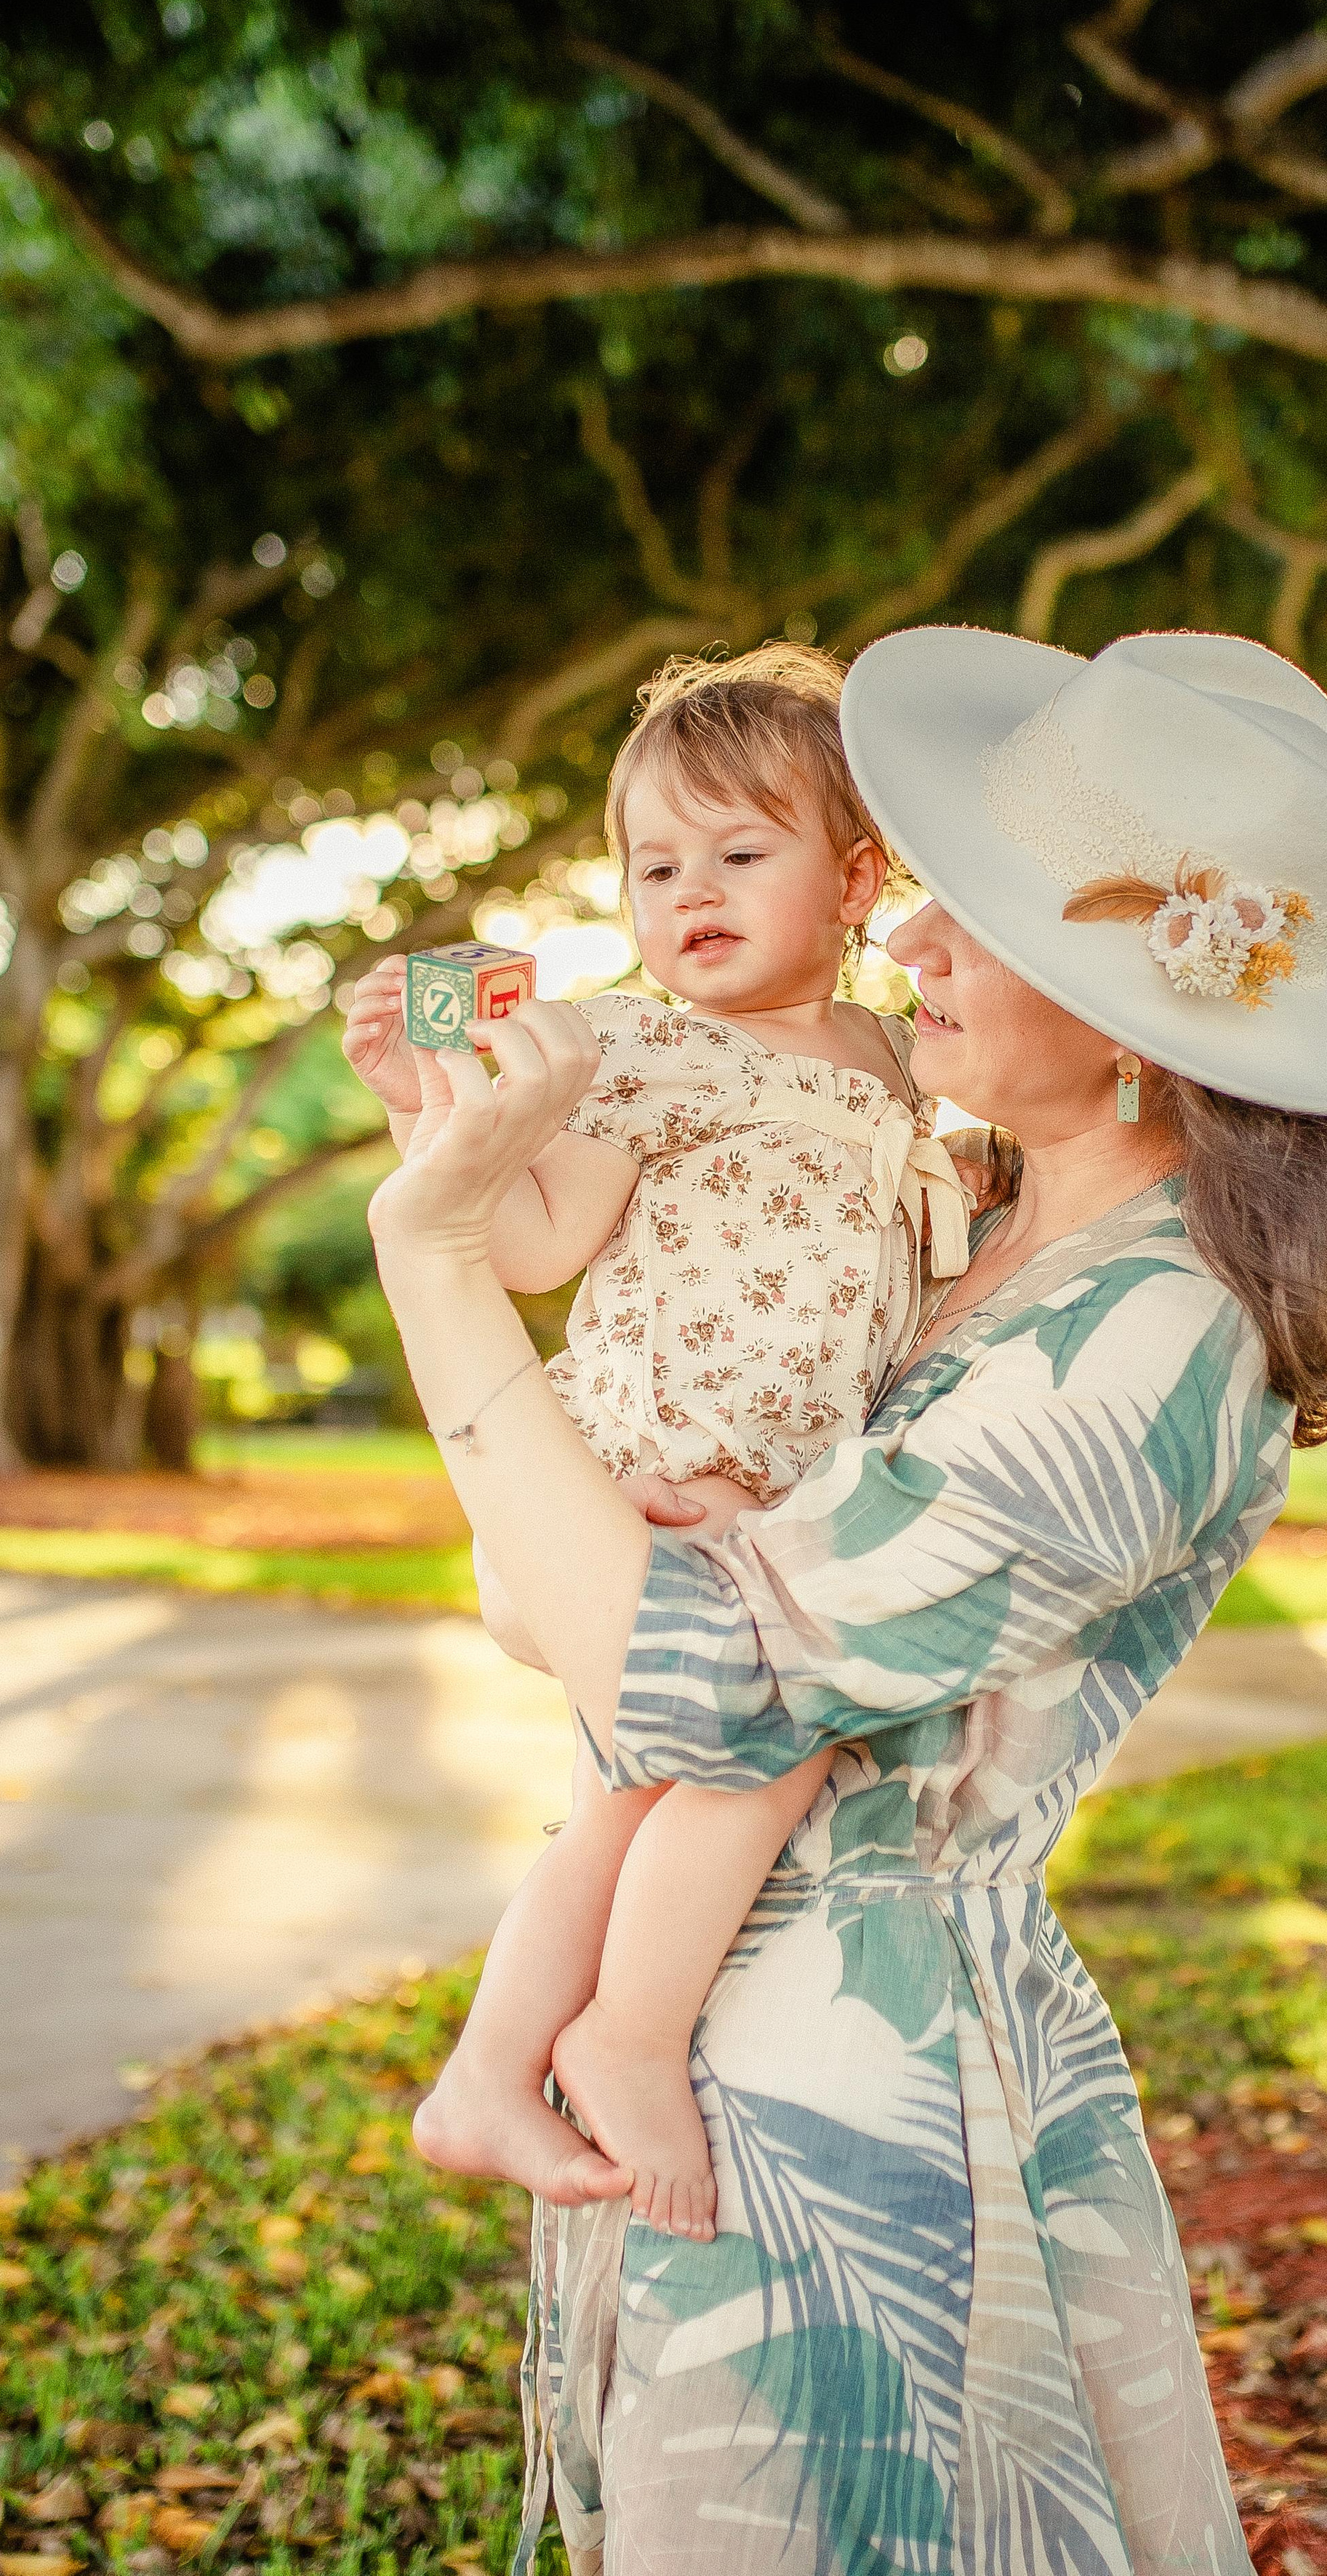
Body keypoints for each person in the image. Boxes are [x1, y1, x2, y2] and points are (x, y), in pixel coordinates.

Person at [366, 626, 1327, 2574]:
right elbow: (597, 1583)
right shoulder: (941, 1208)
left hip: (861, 2103)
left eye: (975, 922)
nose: (915, 954)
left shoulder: (1153, 1342)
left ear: (1138, 1011)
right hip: (729, 2020)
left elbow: (707, 1686)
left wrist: (439, 1273)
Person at [342, 646, 971, 2239]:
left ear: (855, 877)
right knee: (769, 1749)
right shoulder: (639, 1046)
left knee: (629, 1800)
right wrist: (437, 1111)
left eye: (737, 854)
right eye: (652, 864)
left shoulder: (904, 1072)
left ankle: (489, 2074)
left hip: (763, 1507)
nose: (687, 890)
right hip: (639, 1482)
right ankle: (617, 2039)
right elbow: (537, 1238)